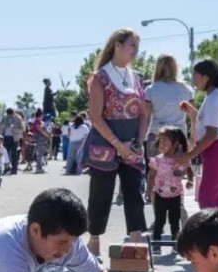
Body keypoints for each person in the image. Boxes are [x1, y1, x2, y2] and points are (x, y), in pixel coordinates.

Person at [82, 28, 148, 258]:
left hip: (132, 143)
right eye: (132, 45)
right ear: (117, 46)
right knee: (101, 193)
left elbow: (144, 114)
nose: (135, 51)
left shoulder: (137, 78)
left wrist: (138, 141)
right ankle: (94, 237)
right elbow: (95, 116)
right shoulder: (100, 77)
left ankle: (137, 238)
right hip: (105, 142)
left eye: (137, 47)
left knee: (133, 191)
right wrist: (117, 144)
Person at [176, 60, 218, 211]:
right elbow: (208, 122)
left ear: (206, 77)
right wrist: (192, 112)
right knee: (216, 196)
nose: (194, 80)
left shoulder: (214, 98)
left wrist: (189, 155)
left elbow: (211, 134)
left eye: (195, 76)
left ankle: (212, 232)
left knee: (207, 196)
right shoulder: (214, 96)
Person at [146, 126, 194, 241]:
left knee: (174, 221)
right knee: (159, 220)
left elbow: (189, 170)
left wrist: (190, 180)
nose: (161, 143)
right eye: (160, 140)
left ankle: (175, 241)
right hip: (159, 195)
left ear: (176, 143)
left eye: (165, 140)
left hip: (176, 196)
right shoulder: (157, 159)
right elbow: (151, 175)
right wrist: (149, 190)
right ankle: (156, 242)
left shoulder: (182, 159)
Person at [144, 54, 194, 156]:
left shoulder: (151, 89)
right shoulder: (187, 89)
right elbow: (194, 117)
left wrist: (142, 138)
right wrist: (193, 139)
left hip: (157, 136)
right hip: (179, 137)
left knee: (154, 170)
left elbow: (146, 117)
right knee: (177, 170)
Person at [1, 108, 25, 175]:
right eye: (8, 114)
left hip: (14, 138)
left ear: (13, 113)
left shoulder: (18, 118)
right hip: (6, 137)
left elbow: (22, 129)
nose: (10, 116)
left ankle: (14, 169)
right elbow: (0, 126)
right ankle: (6, 168)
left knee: (14, 154)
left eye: (11, 114)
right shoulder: (5, 117)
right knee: (6, 154)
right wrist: (3, 127)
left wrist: (14, 128)